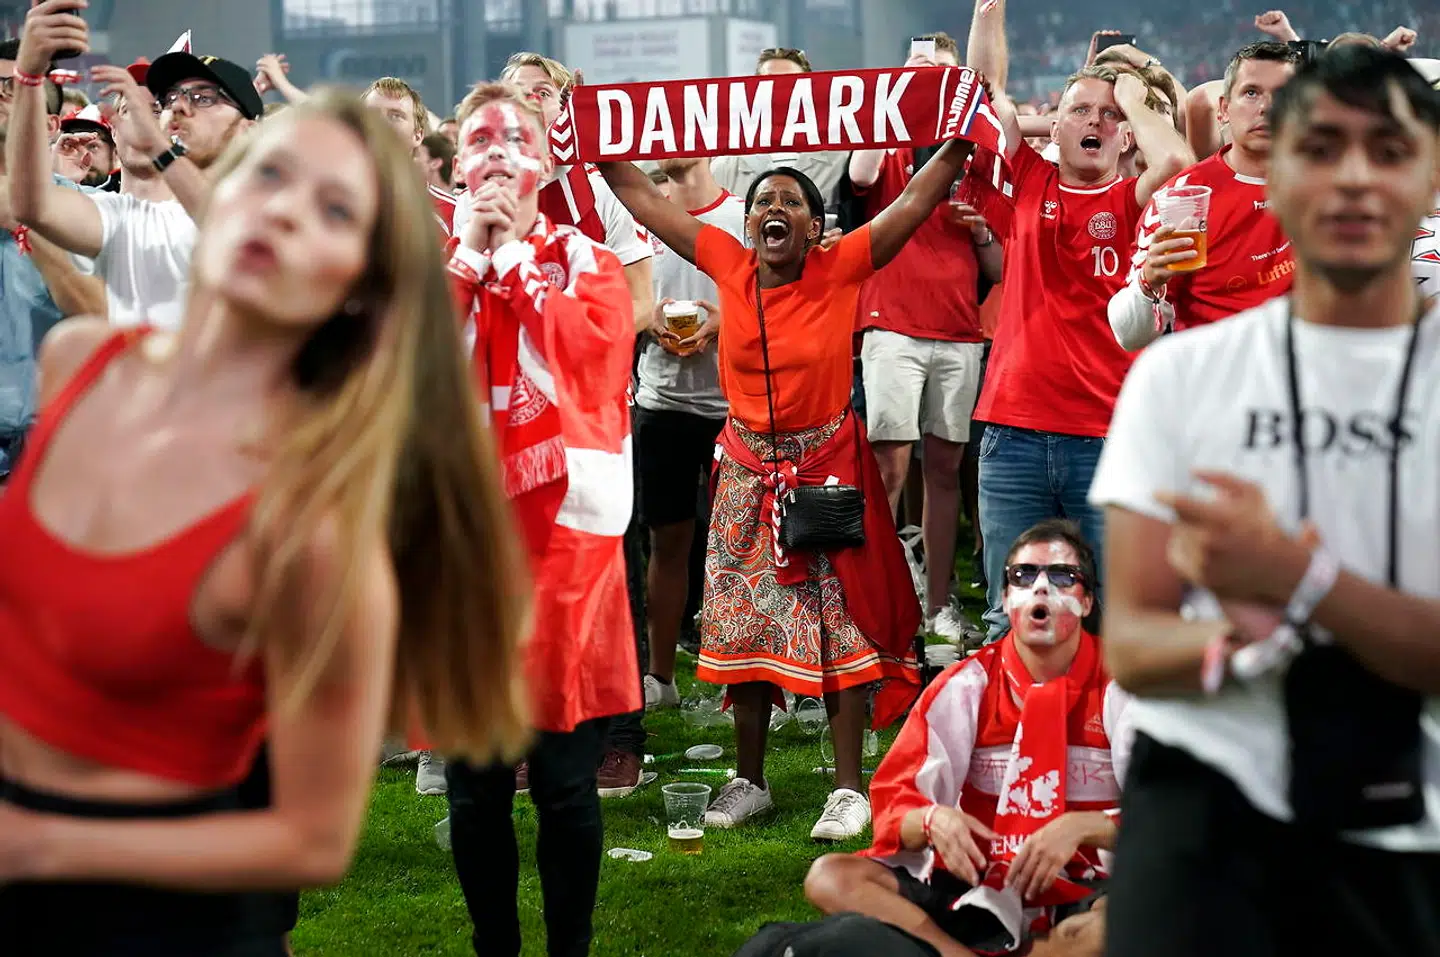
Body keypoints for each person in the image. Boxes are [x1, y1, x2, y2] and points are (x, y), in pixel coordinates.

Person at [0, 86, 531, 956]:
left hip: (152, 922)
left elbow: (312, 838)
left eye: (332, 209)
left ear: (359, 285)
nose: (284, 212)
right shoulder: (78, 361)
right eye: (272, 176)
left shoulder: (310, 527)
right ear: (221, 188)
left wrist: (45, 844)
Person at [1092, 48, 1440, 957]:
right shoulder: (1180, 378)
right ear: (1271, 175)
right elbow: (1131, 642)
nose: (1354, 177)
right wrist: (1243, 638)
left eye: (1388, 150)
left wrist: (1295, 578)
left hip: (1409, 801)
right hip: (1208, 796)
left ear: (1434, 175)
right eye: (1320, 148)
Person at [598, 128, 981, 841]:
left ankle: (847, 790)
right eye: (762, 201)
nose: (774, 208)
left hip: (825, 466)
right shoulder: (726, 259)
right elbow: (644, 200)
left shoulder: (841, 265)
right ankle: (751, 780)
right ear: (748, 226)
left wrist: (956, 144)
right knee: (745, 625)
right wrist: (593, 141)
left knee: (837, 628)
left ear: (815, 226)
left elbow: (913, 202)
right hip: (745, 472)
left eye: (790, 201)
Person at [442, 82, 639, 957]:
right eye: (479, 141)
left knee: (563, 783)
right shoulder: (427, 267)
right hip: (465, 544)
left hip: (568, 543)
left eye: (516, 139)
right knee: (473, 787)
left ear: (549, 164)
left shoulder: (587, 261)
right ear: (453, 165)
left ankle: (569, 950)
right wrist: (465, 264)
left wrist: (515, 263)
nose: (497, 154)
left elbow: (594, 362)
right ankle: (495, 948)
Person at [961, 0, 1194, 643]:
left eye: (1110, 115)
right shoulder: (1027, 181)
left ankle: (1106, 742)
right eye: (1080, 111)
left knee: (1113, 613)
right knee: (1012, 615)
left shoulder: (1137, 199)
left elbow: (1175, 162)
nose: (1095, 121)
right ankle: (1016, 743)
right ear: (1053, 129)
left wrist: (1130, 86)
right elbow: (983, 97)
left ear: (1127, 135)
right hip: (1014, 434)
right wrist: (987, 14)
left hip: (1111, 435)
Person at [805, 520, 1130, 957]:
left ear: (1087, 601)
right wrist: (934, 820)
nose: (1040, 588)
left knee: (1129, 918)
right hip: (979, 876)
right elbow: (894, 803)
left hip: (1090, 884)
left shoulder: (1124, 687)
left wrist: (1082, 827)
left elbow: (1175, 814)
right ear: (1004, 598)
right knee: (831, 876)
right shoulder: (964, 685)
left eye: (1061, 577)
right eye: (1023, 576)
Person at [848, 30, 1003, 643]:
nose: (923, 78)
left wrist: (983, 231)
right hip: (891, 326)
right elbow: (858, 175)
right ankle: (876, 598)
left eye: (936, 71)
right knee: (889, 466)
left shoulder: (973, 157)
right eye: (913, 68)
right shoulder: (887, 149)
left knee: (945, 470)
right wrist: (895, 103)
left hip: (959, 328)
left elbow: (996, 269)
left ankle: (937, 602)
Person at [9, 4, 261, 329]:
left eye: (204, 98)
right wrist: (29, 76)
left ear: (248, 130)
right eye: (172, 98)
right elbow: (32, 205)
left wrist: (159, 148)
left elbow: (225, 229)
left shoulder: (269, 210)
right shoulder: (127, 217)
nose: (180, 107)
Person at [1108, 42, 1301, 350]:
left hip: (1311, 386)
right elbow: (1128, 336)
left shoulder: (1329, 188)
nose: (1266, 107)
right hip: (1218, 386)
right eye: (1251, 93)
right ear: (1224, 109)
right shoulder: (1185, 197)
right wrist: (1148, 281)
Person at [496, 52, 654, 335]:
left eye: (543, 93)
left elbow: (640, 302)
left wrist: (584, 345)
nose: (529, 102)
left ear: (565, 108)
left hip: (592, 372)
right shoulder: (474, 200)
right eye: (518, 94)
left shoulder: (606, 190)